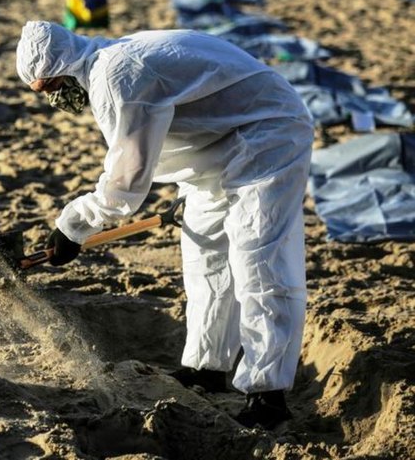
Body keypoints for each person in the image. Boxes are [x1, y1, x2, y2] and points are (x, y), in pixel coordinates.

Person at [16, 21, 314, 430]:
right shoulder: (109, 59)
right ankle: (207, 369)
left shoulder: (116, 75)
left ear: (63, 68)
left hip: (269, 133)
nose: (53, 98)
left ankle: (268, 393)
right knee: (205, 253)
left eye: (50, 87)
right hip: (220, 144)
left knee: (258, 257)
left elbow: (125, 183)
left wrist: (71, 228)